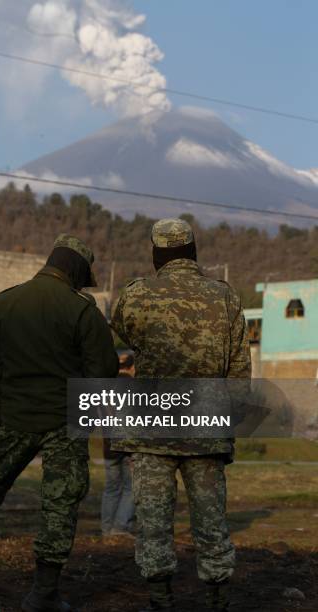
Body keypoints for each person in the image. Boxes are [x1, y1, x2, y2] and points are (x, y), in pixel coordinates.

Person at [0, 234, 119, 612]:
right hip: (63, 423)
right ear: (76, 270)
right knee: (60, 505)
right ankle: (43, 592)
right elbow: (102, 371)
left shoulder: (4, 302)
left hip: (14, 418)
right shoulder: (82, 310)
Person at [111, 219, 251, 612]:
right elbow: (239, 368)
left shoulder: (138, 294)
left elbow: (122, 328)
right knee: (211, 522)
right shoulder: (225, 297)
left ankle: (160, 599)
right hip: (206, 429)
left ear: (157, 253)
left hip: (152, 431)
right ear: (192, 250)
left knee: (153, 524)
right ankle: (217, 598)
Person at [101, 353, 135, 537]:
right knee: (132, 488)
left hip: (108, 445)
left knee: (111, 488)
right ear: (132, 367)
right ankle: (120, 526)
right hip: (128, 446)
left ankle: (106, 528)